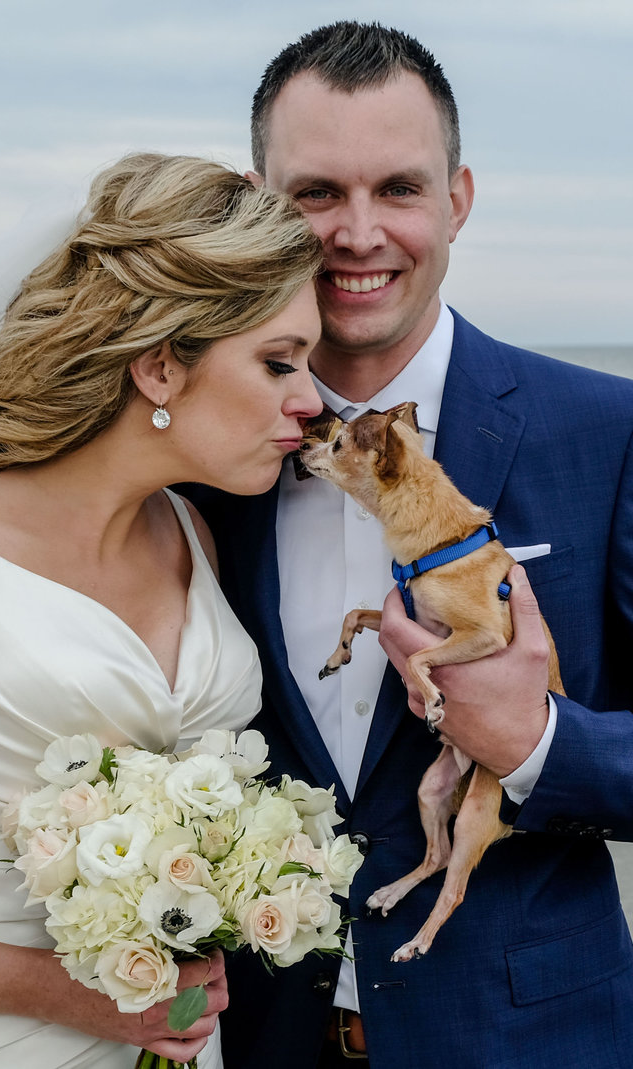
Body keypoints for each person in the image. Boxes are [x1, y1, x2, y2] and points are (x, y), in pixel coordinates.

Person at [182, 21, 633, 1069]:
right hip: (249, 1037)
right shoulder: (192, 462)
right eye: (313, 194)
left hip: (525, 1038)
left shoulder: (605, 434)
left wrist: (534, 746)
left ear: (456, 199)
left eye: (395, 188)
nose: (355, 232)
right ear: (260, 203)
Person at [0, 150, 324, 1067]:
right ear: (161, 367)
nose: (310, 400)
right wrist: (60, 990)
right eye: (278, 362)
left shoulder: (190, 535)